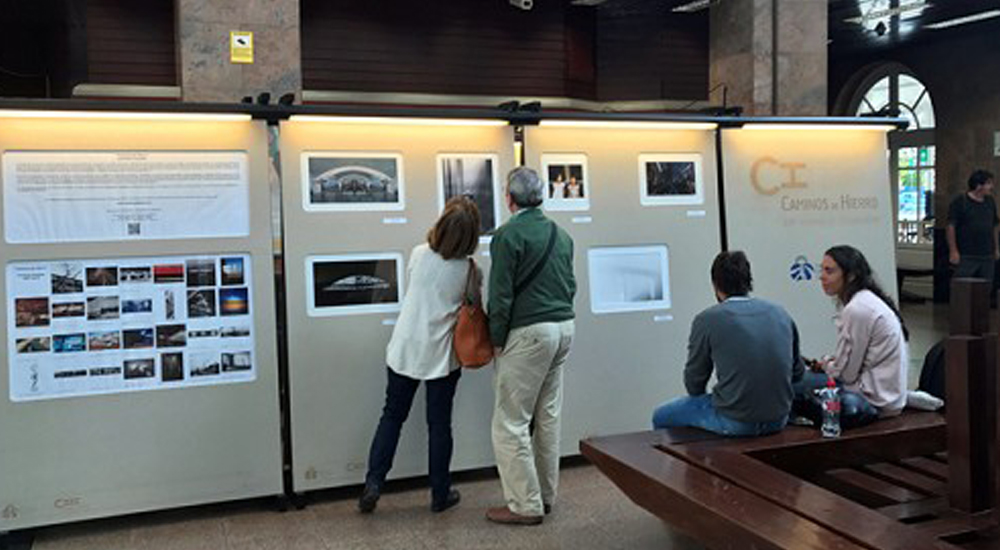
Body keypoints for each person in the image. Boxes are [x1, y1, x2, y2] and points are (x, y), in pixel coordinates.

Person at [358, 196, 482, 514]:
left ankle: (373, 484)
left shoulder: (418, 254)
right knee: (439, 426)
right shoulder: (469, 271)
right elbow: (472, 308)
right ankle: (440, 495)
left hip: (404, 348)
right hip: (441, 357)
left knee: (392, 416)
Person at [486, 167, 576, 526]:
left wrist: (496, 340)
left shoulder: (507, 236)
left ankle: (524, 505)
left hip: (528, 334)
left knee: (510, 421)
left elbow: (501, 295)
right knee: (548, 417)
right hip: (563, 328)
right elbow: (569, 287)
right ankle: (545, 496)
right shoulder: (561, 234)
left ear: (509, 198)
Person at [651, 251, 804, 436]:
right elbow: (797, 374)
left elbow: (694, 383)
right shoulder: (780, 313)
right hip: (778, 419)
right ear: (749, 281)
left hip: (734, 421)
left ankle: (692, 463)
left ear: (715, 285)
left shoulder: (707, 319)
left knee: (661, 415)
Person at [799, 245, 908, 421]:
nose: (822, 277)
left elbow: (845, 374)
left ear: (850, 276)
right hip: (885, 395)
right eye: (822, 270)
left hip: (874, 399)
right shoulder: (866, 301)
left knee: (793, 384)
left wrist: (826, 363)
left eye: (829, 271)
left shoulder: (858, 309)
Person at [947, 169, 998, 290]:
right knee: (961, 289)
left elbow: (994, 226)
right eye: (989, 183)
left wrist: (996, 248)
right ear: (979, 185)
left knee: (985, 289)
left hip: (986, 255)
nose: (992, 187)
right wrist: (953, 251)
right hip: (966, 255)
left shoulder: (990, 202)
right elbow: (950, 226)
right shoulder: (960, 202)